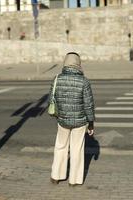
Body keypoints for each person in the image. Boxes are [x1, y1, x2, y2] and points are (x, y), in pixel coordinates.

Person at [48, 52, 95, 186]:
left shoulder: (57, 78)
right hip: (80, 122)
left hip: (62, 120)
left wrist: (60, 115)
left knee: (60, 146)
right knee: (77, 149)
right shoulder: (84, 81)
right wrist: (91, 123)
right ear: (78, 64)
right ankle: (74, 180)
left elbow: (51, 100)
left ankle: (56, 176)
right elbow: (89, 105)